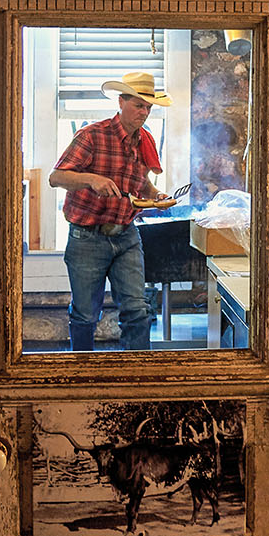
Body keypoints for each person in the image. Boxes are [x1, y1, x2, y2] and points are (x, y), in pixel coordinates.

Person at [49, 69, 172, 352]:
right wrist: (91, 179)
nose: (144, 112)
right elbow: (56, 177)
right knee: (85, 314)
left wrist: (157, 195)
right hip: (87, 236)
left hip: (126, 235)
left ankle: (137, 377)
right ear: (121, 102)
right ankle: (83, 374)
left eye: (148, 107)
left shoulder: (145, 141)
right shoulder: (92, 135)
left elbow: (142, 183)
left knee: (138, 309)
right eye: (138, 105)